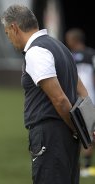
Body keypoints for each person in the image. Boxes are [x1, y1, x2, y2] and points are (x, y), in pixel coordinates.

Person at [0, 4, 88, 184]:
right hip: (66, 137)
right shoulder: (61, 47)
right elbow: (84, 92)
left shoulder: (36, 52)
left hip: (51, 135)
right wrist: (86, 126)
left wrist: (77, 129)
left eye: (7, 33)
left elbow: (60, 99)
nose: (9, 39)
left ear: (14, 28)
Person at [65, 28, 95, 177]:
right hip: (87, 100)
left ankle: (85, 166)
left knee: (87, 133)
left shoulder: (69, 57)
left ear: (74, 40)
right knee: (88, 133)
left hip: (83, 100)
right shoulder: (89, 54)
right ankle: (86, 165)